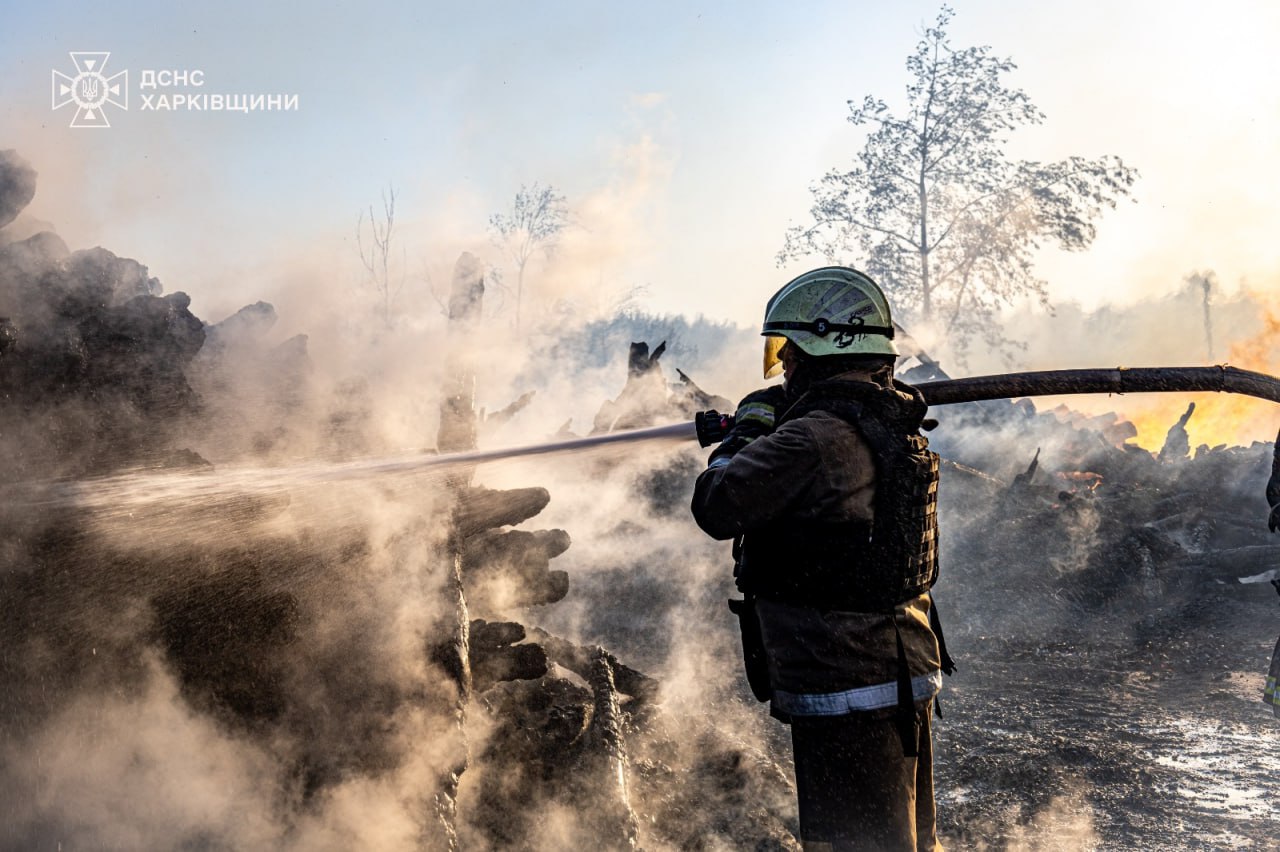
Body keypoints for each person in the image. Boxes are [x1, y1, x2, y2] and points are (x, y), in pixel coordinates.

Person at [690, 266, 951, 851]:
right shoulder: (886, 418)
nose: (784, 366)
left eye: (789, 352)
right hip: (897, 667)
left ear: (820, 347)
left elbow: (717, 504)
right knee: (902, 840)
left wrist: (743, 437)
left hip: (845, 681)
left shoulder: (812, 439)